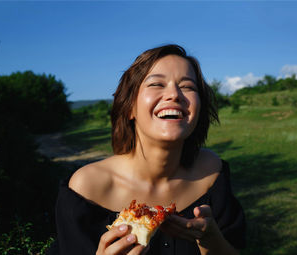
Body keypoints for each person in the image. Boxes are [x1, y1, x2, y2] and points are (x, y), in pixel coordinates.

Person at [49, 44, 245, 255]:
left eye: (188, 86)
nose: (174, 94)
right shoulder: (87, 188)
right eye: (157, 84)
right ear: (130, 107)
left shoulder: (211, 173)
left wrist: (211, 241)